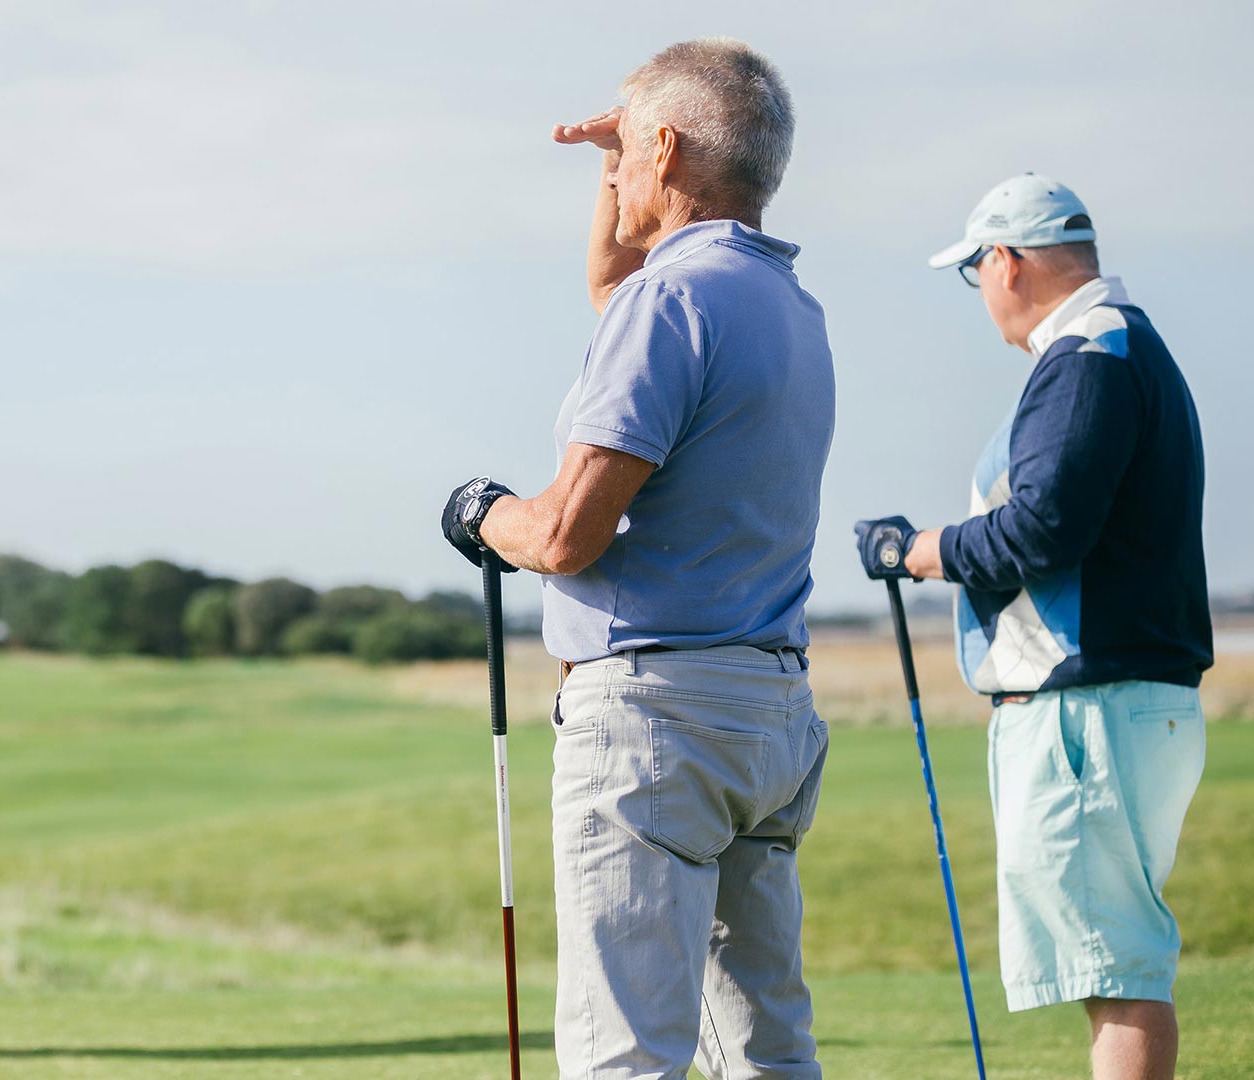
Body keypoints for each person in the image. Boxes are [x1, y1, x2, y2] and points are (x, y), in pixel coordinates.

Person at [441, 38, 834, 1079]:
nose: (611, 169)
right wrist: (614, 173)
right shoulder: (786, 304)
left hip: (658, 722)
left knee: (626, 1058)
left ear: (665, 150)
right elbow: (618, 281)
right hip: (769, 721)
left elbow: (567, 534)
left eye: (624, 153)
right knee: (765, 1052)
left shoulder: (671, 305)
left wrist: (484, 514)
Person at [857, 174, 1210, 1080]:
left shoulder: (1088, 352)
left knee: (1118, 967)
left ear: (1005, 261)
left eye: (975, 269)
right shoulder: (1121, 346)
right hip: (1120, 701)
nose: (979, 291)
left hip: (1087, 707)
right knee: (1117, 959)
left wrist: (919, 550)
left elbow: (1044, 528)